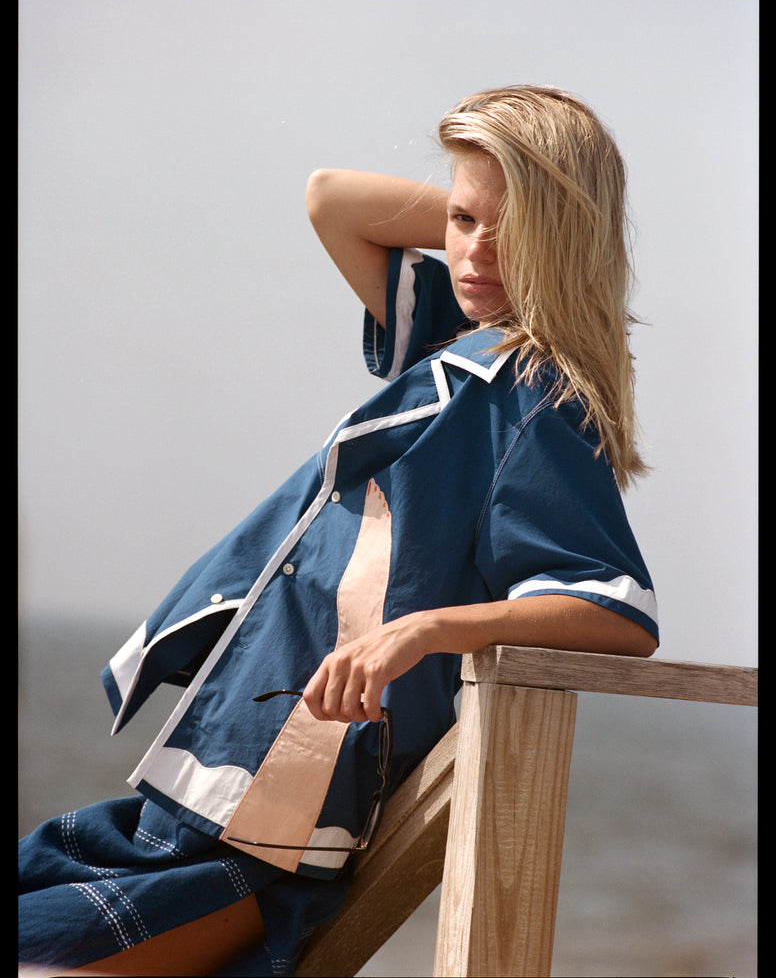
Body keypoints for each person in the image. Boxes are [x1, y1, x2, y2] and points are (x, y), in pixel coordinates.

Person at [18, 85, 659, 976]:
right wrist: (500, 211)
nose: (475, 250)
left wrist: (430, 630)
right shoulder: (455, 346)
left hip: (277, 826)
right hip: (214, 787)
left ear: (562, 236)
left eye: (512, 230)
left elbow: (615, 611)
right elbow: (332, 200)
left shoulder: (536, 401)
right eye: (465, 219)